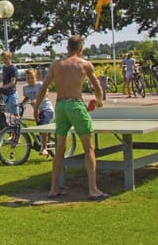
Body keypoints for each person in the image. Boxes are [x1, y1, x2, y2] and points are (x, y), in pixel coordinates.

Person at [34, 34, 107, 201]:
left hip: (60, 107)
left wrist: (36, 107)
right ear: (80, 49)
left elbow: (44, 88)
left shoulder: (56, 65)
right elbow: (97, 88)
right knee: (88, 147)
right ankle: (93, 189)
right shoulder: (85, 64)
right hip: (75, 105)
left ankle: (53, 188)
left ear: (67, 48)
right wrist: (99, 101)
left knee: (59, 148)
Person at [21, 68, 53, 156]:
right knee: (40, 129)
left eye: (32, 78)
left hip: (46, 109)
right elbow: (27, 97)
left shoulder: (40, 85)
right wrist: (21, 103)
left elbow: (46, 93)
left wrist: (37, 100)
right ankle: (44, 143)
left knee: (43, 127)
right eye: (28, 78)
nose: (30, 80)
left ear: (36, 78)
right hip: (37, 111)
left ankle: (45, 148)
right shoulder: (25, 88)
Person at [0, 50, 19, 114]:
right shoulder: (4, 67)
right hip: (5, 94)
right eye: (2, 59)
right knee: (7, 114)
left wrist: (3, 87)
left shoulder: (13, 68)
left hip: (11, 93)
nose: (3, 60)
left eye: (5, 58)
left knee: (14, 114)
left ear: (10, 58)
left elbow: (13, 82)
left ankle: (17, 123)